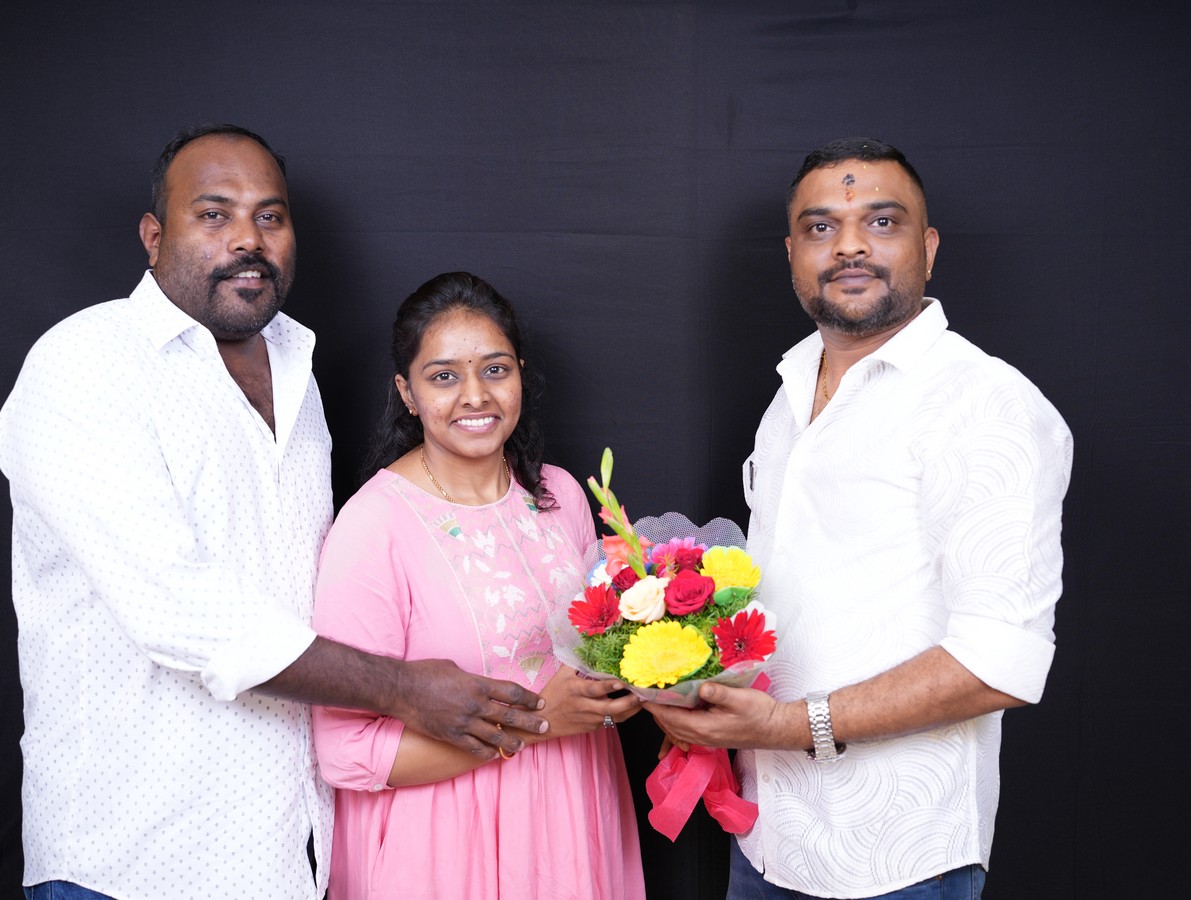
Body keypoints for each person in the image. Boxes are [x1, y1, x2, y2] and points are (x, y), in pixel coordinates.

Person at [0, 125, 550, 900]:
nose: (247, 239)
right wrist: (403, 689)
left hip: (287, 853)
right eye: (214, 214)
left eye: (270, 216)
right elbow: (178, 611)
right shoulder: (88, 363)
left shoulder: (294, 365)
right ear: (154, 236)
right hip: (132, 858)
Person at [649, 138, 1073, 900]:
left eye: (881, 222)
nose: (848, 245)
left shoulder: (985, 404)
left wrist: (783, 728)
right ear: (791, 254)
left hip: (896, 859)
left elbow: (998, 661)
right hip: (767, 836)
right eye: (820, 227)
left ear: (928, 248)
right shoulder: (789, 395)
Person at [310, 271, 645, 899]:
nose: (475, 396)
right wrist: (538, 722)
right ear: (407, 393)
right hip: (443, 847)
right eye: (444, 377)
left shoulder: (561, 495)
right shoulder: (374, 526)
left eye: (495, 370)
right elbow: (345, 752)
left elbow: (590, 653)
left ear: (520, 375)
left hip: (571, 814)